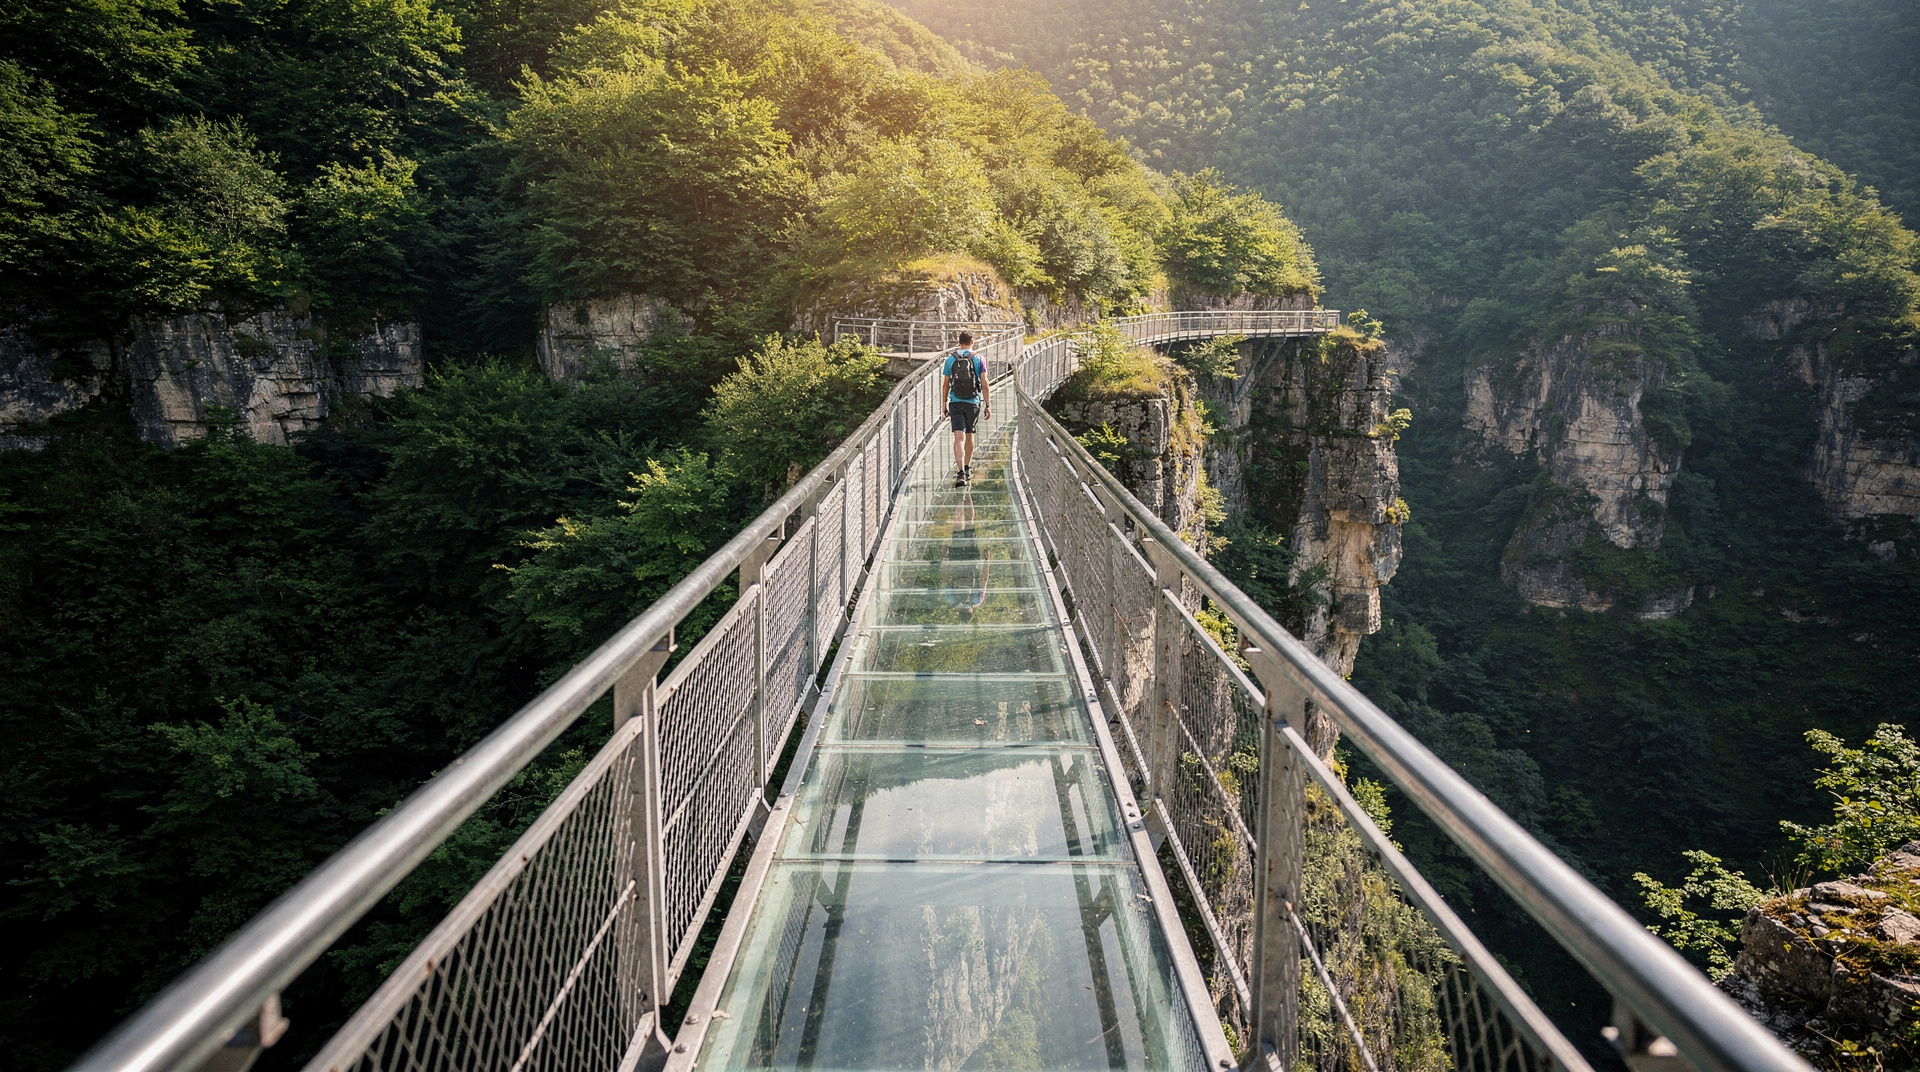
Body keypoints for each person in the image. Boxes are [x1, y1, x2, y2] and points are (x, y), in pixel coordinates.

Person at [942, 332, 990, 486]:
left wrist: (943, 403)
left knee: (959, 438)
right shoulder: (979, 359)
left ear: (958, 342)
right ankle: (968, 468)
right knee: (969, 435)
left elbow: (945, 384)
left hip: (955, 403)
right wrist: (988, 405)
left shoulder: (950, 360)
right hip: (973, 403)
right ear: (972, 341)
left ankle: (961, 471)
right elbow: (984, 382)